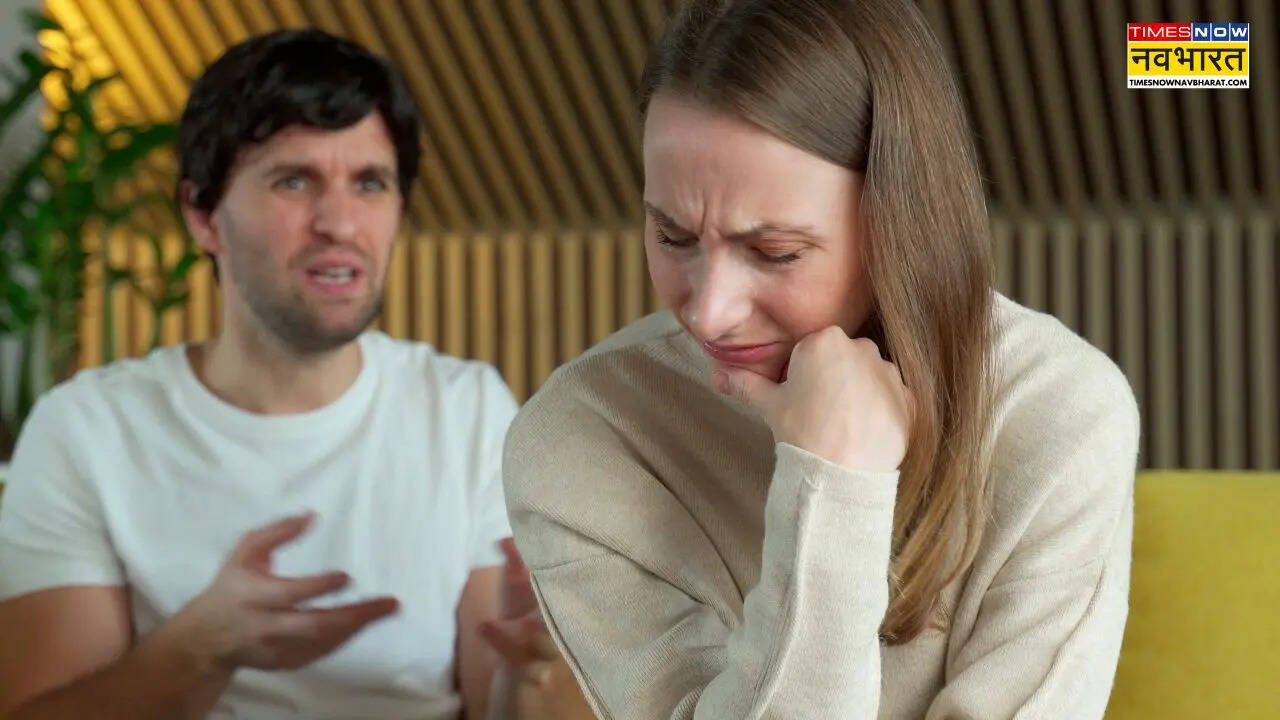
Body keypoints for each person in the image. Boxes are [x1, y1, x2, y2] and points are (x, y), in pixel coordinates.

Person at [503, 1, 1140, 718]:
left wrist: (833, 479)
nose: (709, 313)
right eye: (672, 236)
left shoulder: (1058, 408)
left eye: (775, 252)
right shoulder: (582, 434)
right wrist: (834, 487)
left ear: (901, 222)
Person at [0, 29, 567, 719]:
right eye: (294, 181)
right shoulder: (86, 429)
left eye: (370, 183)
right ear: (203, 216)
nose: (340, 224)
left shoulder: (465, 409)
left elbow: (494, 698)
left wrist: (533, 666)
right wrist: (199, 648)